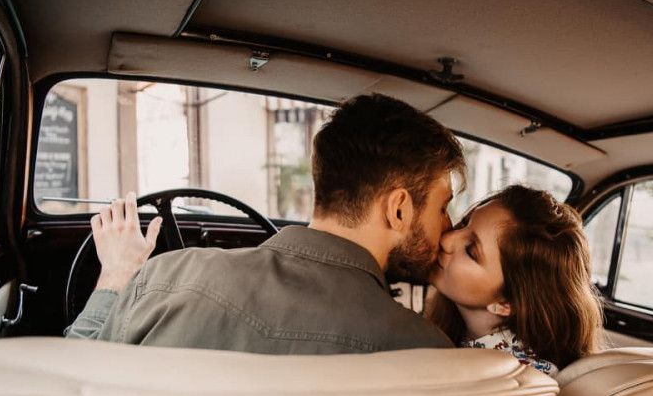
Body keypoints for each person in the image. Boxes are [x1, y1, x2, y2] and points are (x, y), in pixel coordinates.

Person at [66, 93, 466, 354]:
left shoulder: (166, 280)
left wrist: (116, 277)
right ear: (399, 210)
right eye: (442, 207)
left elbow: (71, 385)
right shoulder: (425, 351)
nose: (448, 226)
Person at [425, 185, 605, 376]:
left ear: (505, 304)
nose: (447, 239)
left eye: (471, 251)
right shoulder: (461, 339)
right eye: (464, 223)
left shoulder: (509, 379)